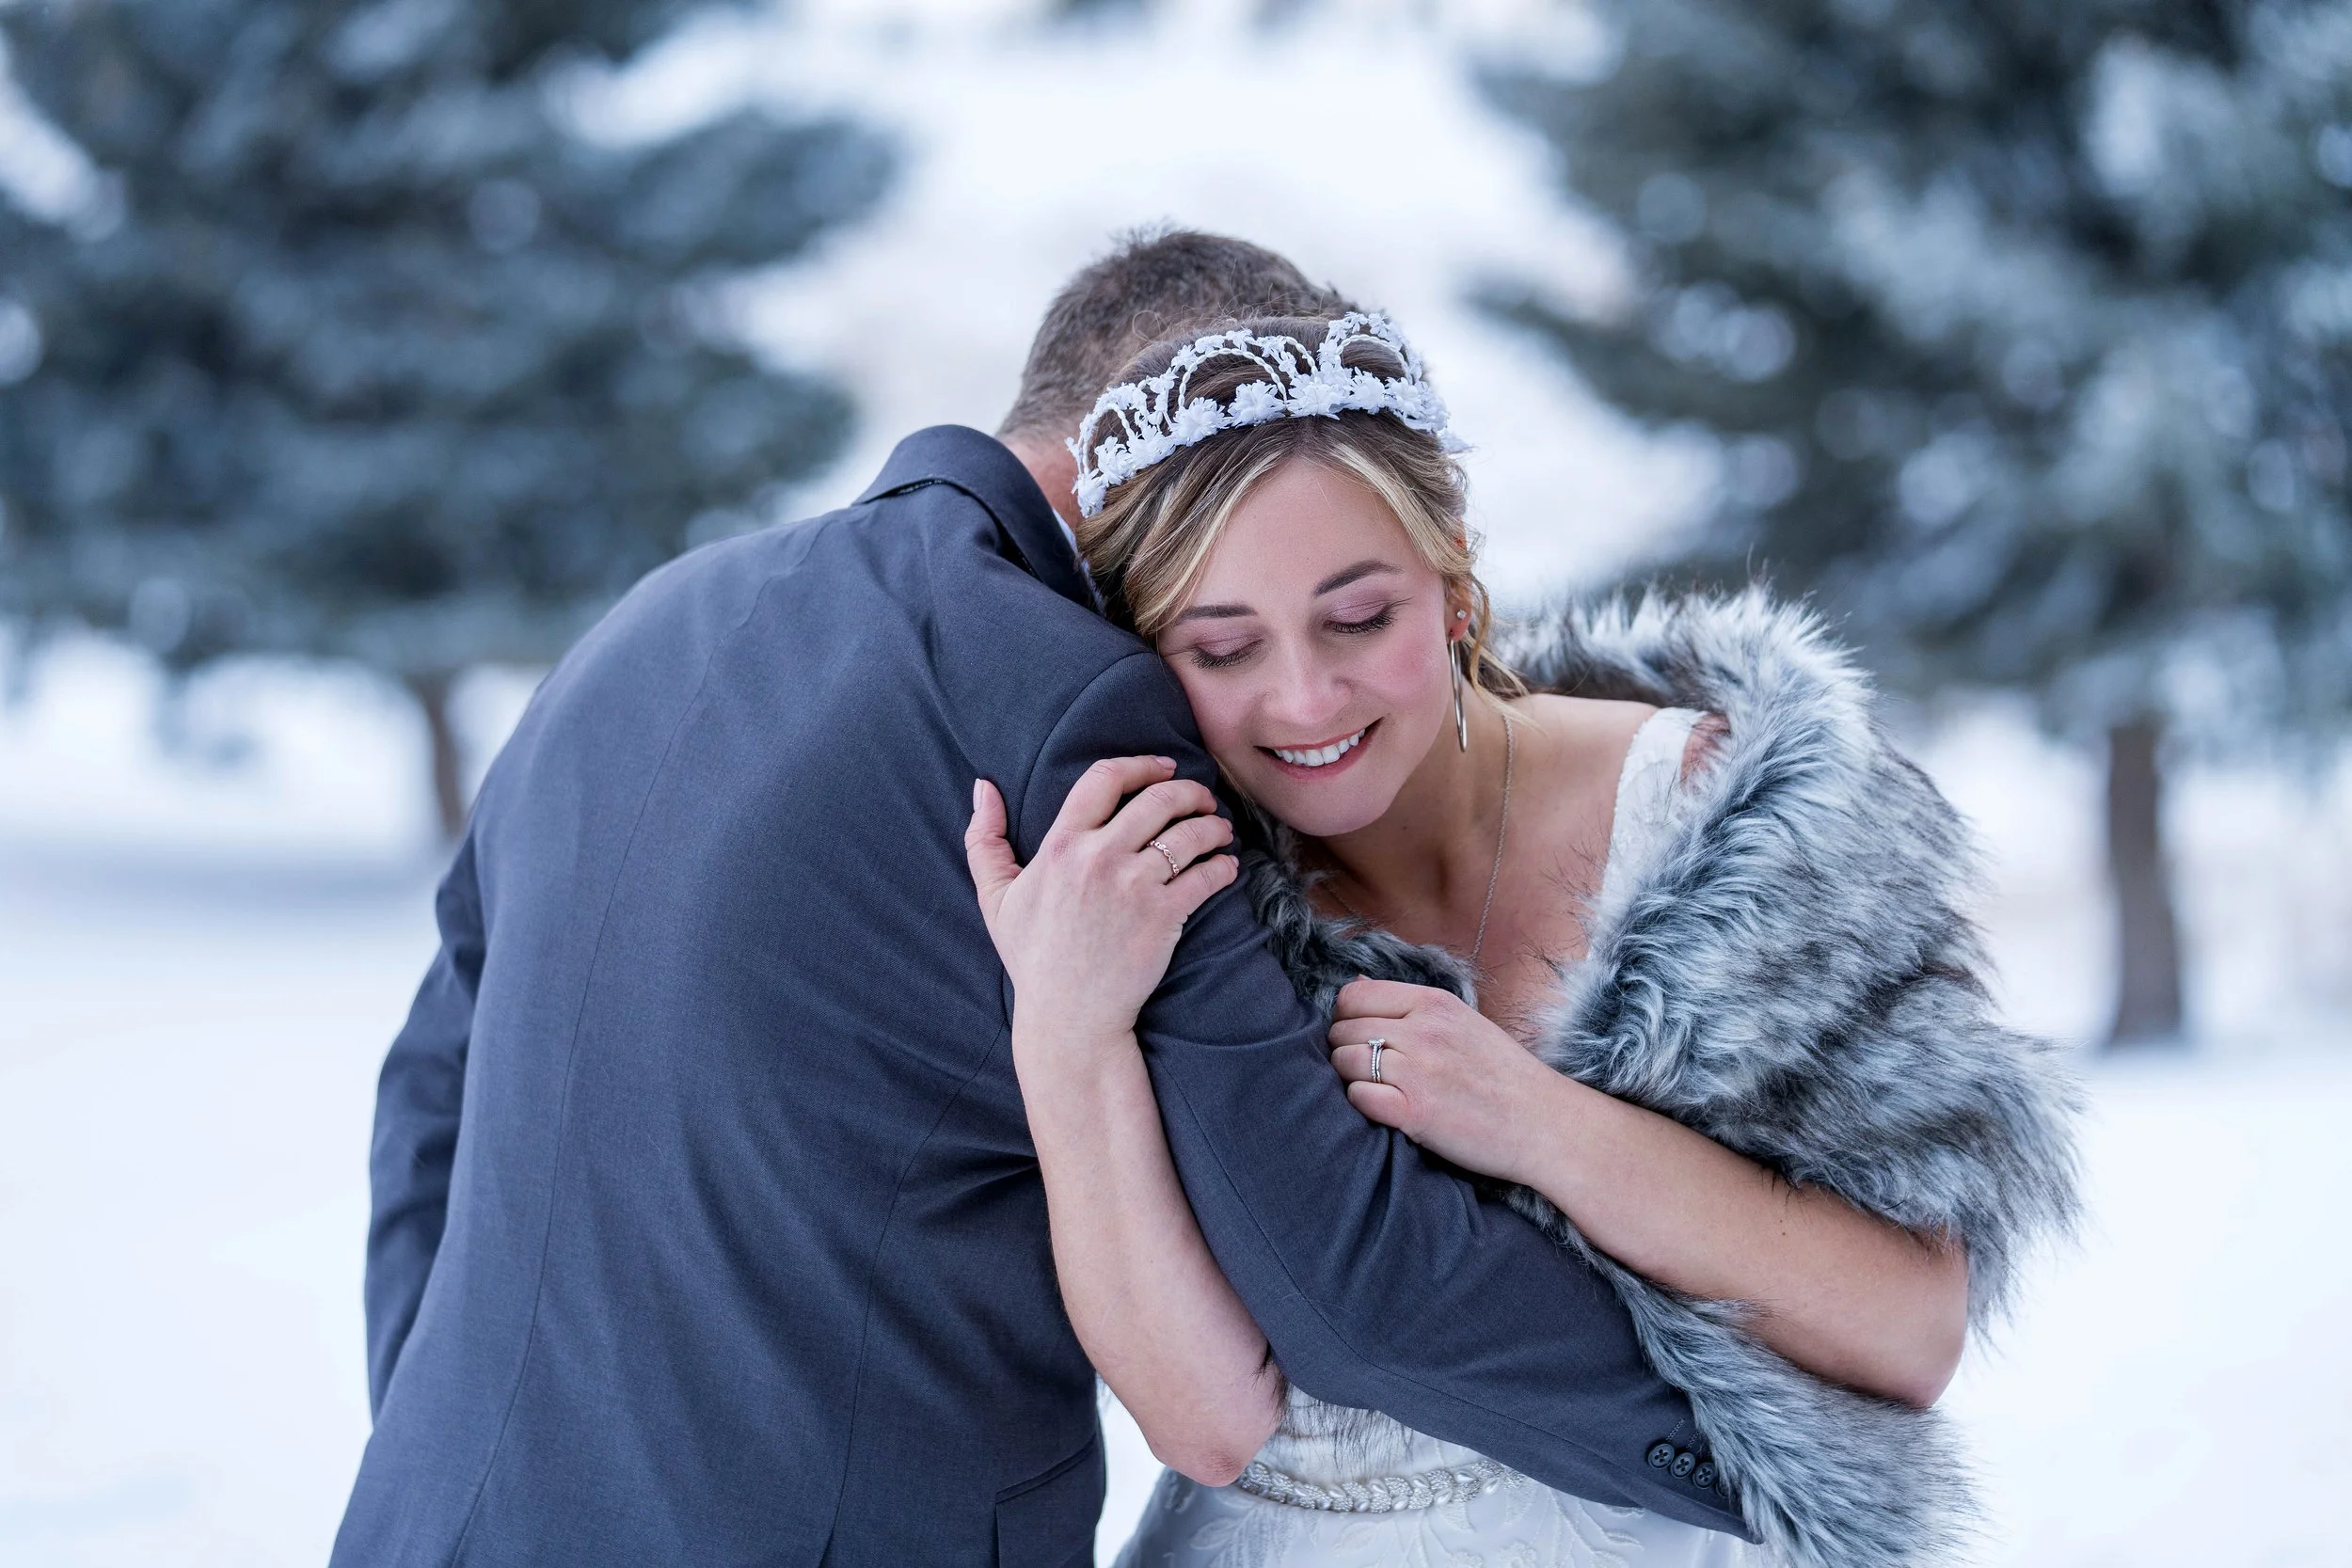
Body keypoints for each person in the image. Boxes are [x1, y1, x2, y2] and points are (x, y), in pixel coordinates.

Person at [331, 233, 1752, 1568]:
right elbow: (1339, 1276)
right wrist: (1761, 1430)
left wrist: (449, 1445)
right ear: (1148, 466)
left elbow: (427, 1106)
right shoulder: (1061, 697)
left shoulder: (647, 627)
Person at [964, 311, 2081, 1566]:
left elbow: (1908, 1330)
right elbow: (1201, 1419)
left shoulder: (1733, 818)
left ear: (1452, 582)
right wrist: (1067, 1029)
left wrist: (1534, 1120)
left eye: (1358, 617)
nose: (1305, 699)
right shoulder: (1168, 892)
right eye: (1224, 647)